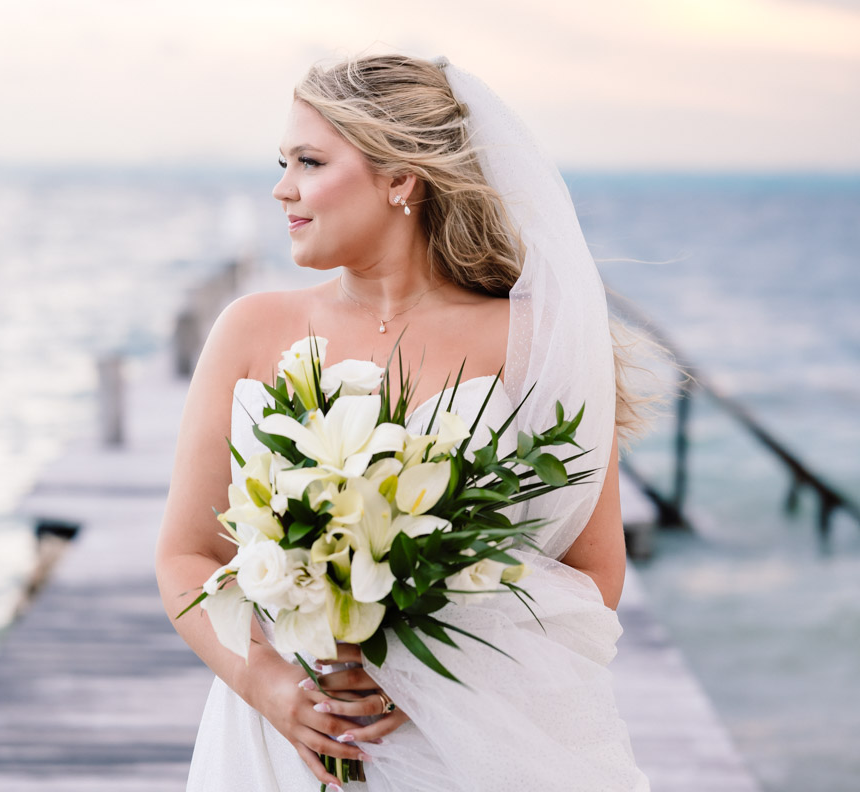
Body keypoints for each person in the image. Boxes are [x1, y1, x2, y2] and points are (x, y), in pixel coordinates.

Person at [155, 54, 653, 791]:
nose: (282, 187)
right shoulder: (250, 330)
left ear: (400, 179)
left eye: (309, 162)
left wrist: (427, 676)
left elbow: (593, 573)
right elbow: (185, 556)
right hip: (275, 748)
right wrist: (270, 687)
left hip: (467, 747)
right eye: (283, 163)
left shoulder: (534, 342)